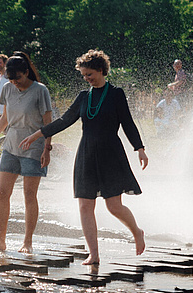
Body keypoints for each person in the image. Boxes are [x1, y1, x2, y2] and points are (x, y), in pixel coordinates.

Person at [21, 49, 147, 266]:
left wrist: (140, 148)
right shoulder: (83, 97)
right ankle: (94, 254)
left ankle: (137, 231)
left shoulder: (116, 94)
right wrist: (38, 134)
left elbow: (127, 122)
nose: (87, 79)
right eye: (84, 76)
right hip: (87, 154)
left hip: (110, 153)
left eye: (89, 74)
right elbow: (64, 120)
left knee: (113, 206)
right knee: (84, 206)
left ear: (101, 70)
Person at [0, 53, 54, 253]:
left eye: (18, 79)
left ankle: (27, 241)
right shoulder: (7, 88)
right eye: (11, 79)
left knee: (29, 195)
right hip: (11, 146)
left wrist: (47, 148)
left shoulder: (40, 91)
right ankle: (0, 241)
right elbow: (4, 118)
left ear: (26, 72)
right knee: (2, 192)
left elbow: (48, 123)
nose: (15, 83)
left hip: (34, 147)